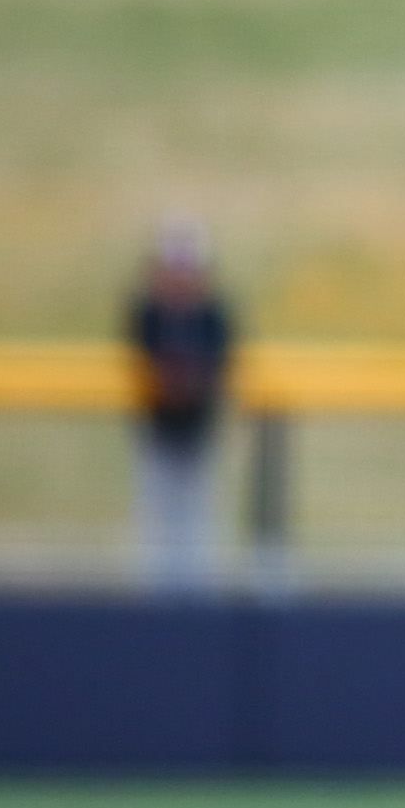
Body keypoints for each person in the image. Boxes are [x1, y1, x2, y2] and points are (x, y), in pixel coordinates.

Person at [124, 220, 235, 591]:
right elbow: (143, 365)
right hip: (157, 431)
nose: (180, 279)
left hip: (198, 431)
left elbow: (219, 368)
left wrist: (189, 383)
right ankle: (158, 602)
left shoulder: (212, 316)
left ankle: (194, 601)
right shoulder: (149, 314)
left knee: (197, 522)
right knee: (158, 522)